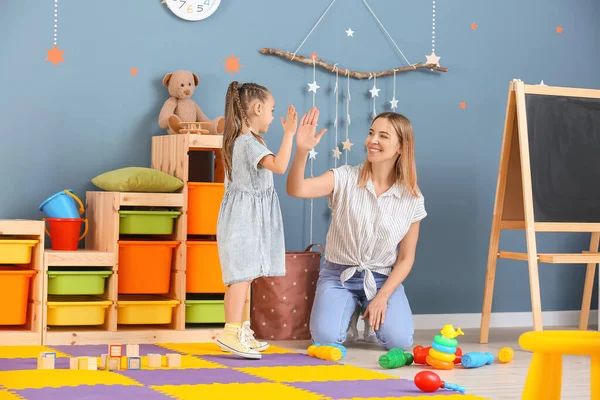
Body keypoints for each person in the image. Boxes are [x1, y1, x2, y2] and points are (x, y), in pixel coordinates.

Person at [286, 108, 426, 350]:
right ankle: (349, 312)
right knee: (326, 340)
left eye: (384, 136)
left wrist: (382, 297)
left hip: (382, 279)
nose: (373, 140)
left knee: (400, 342)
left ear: (401, 147)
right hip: (339, 275)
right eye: (372, 133)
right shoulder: (344, 177)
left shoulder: (412, 198)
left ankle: (371, 314)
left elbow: (405, 258)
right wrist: (301, 152)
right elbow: (296, 189)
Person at [216, 81, 298, 359]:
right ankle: (230, 331)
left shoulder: (245, 140)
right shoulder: (248, 143)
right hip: (243, 219)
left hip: (248, 217)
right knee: (240, 277)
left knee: (246, 275)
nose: (274, 117)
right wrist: (289, 135)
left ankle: (241, 328)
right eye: (272, 110)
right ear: (258, 108)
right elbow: (280, 166)